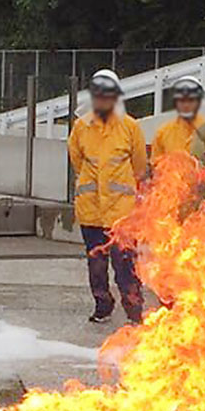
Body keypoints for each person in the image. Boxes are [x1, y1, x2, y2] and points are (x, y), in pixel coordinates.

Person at [67, 69, 147, 324]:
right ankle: (102, 304)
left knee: (126, 266)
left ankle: (133, 307)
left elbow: (139, 165)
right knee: (96, 264)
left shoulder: (129, 126)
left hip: (121, 213)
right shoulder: (81, 127)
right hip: (91, 210)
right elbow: (76, 160)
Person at [151, 76, 205, 163]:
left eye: (191, 100)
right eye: (182, 100)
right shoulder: (163, 133)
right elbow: (156, 167)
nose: (186, 105)